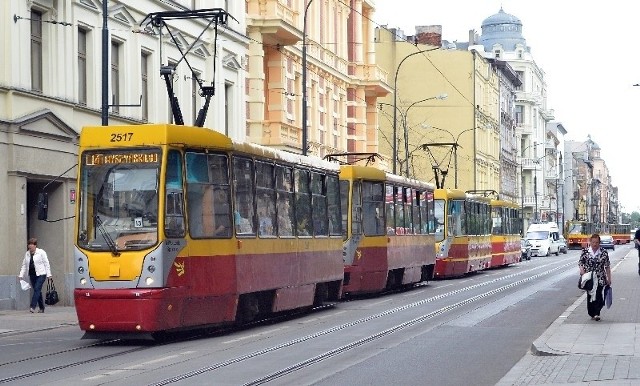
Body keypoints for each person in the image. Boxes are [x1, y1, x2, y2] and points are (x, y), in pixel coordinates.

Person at [578, 233, 612, 321]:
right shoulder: (585, 252)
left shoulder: (603, 252)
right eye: (593, 242)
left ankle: (597, 313)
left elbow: (607, 266)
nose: (595, 244)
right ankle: (591, 313)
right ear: (590, 242)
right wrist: (581, 269)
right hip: (589, 278)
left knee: (598, 295)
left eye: (597, 242)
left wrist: (609, 278)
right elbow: (581, 262)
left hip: (600, 277)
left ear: (599, 243)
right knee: (590, 296)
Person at [17, 238, 52, 313]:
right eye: (29, 244)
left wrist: (49, 274)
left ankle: (32, 306)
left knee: (37, 288)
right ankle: (42, 307)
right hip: (32, 274)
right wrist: (21, 275)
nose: (30, 246)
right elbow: (24, 265)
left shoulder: (41, 252)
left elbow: (46, 263)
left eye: (31, 245)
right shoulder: (27, 254)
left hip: (41, 274)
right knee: (37, 291)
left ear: (35, 245)